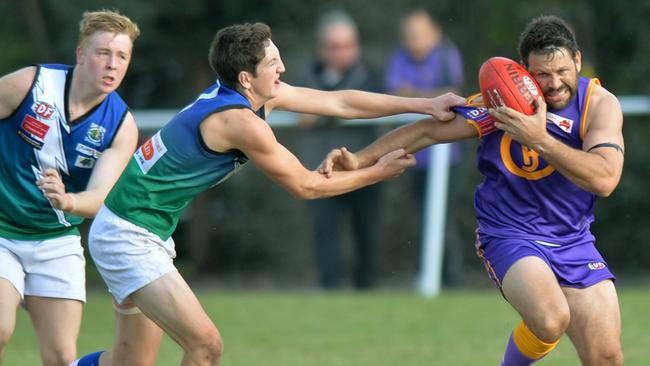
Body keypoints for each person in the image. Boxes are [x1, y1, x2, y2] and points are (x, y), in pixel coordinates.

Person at [71, 22, 463, 366]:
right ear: (246, 77)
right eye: (274, 63)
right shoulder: (238, 122)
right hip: (128, 236)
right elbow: (306, 186)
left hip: (140, 231)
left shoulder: (254, 95)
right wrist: (378, 172)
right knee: (206, 347)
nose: (283, 68)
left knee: (130, 360)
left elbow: (339, 101)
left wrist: (425, 105)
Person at [321, 15, 624, 366]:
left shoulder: (599, 105)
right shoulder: (502, 104)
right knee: (549, 319)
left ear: (578, 61)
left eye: (562, 71)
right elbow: (427, 132)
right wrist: (360, 160)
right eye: (542, 74)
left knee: (607, 357)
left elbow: (604, 179)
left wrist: (539, 139)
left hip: (573, 239)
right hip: (511, 233)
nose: (554, 83)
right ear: (524, 71)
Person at [0, 10, 140, 366]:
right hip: (2, 232)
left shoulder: (122, 125)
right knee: (0, 327)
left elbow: (99, 197)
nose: (112, 64)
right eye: (102, 53)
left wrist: (68, 200)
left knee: (62, 357)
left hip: (56, 242)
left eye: (121, 56)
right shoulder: (29, 84)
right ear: (80, 54)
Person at [296, 10, 383, 290]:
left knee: (367, 230)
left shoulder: (373, 74)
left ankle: (367, 288)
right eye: (333, 46)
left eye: (346, 45)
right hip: (320, 167)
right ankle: (330, 287)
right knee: (325, 231)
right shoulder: (303, 75)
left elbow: (355, 108)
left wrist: (316, 112)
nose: (340, 52)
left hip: (364, 162)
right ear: (321, 48)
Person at [384, 9, 466, 287]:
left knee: (442, 218)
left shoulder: (446, 55)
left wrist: (413, 95)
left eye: (419, 35)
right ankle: (426, 277)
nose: (414, 42)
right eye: (409, 36)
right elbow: (393, 95)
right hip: (412, 154)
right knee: (421, 218)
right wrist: (429, 96)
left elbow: (452, 93)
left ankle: (452, 280)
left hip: (446, 156)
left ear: (435, 33)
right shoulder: (398, 57)